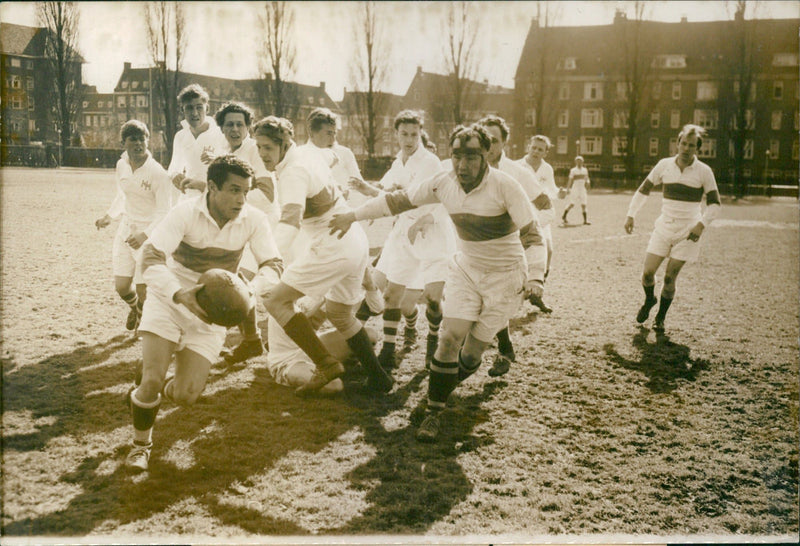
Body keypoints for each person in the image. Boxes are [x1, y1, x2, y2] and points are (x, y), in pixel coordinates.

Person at [330, 124, 547, 442]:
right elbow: (396, 200)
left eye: (471, 156)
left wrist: (537, 276)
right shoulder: (443, 182)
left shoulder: (505, 185)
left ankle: (438, 394)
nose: (462, 164)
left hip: (505, 277)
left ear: (487, 154)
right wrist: (353, 216)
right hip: (466, 271)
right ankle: (434, 412)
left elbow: (533, 235)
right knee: (449, 339)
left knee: (471, 355)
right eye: (457, 155)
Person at [124, 155, 283, 471]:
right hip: (170, 299)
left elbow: (274, 264)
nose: (241, 200)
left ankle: (144, 390)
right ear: (212, 187)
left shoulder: (254, 219)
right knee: (153, 381)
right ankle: (140, 447)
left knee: (186, 396)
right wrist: (179, 293)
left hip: (212, 312)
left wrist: (250, 291)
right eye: (234, 190)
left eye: (246, 192)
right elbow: (151, 257)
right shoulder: (184, 213)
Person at [253, 116, 394, 396]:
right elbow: (330, 156)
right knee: (340, 313)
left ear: (284, 144)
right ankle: (379, 378)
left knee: (275, 300)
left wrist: (269, 259)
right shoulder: (308, 153)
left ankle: (326, 364)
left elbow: (291, 219)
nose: (262, 154)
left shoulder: (293, 170)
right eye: (258, 147)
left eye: (268, 147)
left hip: (333, 243)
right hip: (355, 241)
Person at [349, 110, 453, 371]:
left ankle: (432, 338)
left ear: (421, 134)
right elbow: (387, 195)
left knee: (431, 298)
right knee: (389, 292)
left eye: (414, 134)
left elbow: (442, 199)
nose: (409, 139)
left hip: (430, 233)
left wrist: (423, 220)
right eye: (404, 134)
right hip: (402, 233)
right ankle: (387, 352)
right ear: (396, 134)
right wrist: (366, 191)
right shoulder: (398, 162)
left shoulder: (430, 162)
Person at [477, 115, 555, 377]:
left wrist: (524, 230)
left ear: (505, 143)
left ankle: (500, 350)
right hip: (480, 247)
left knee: (495, 300)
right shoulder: (468, 169)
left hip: (512, 249)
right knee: (487, 300)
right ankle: (505, 348)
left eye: (494, 140)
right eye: (483, 139)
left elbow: (547, 208)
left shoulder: (519, 174)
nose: (487, 146)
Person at [624, 124, 720, 332]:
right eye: (683, 143)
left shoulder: (704, 171)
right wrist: (631, 214)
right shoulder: (664, 165)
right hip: (664, 228)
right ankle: (650, 300)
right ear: (677, 143)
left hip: (688, 233)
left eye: (691, 145)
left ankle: (660, 317)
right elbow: (643, 190)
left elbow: (714, 203)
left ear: (698, 149)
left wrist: (701, 225)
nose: (686, 148)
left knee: (669, 277)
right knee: (648, 273)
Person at [208, 101, 280, 364]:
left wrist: (233, 199)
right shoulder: (227, 150)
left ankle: (259, 340)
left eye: (240, 124)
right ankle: (252, 341)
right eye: (229, 124)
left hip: (265, 226)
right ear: (222, 128)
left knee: (242, 284)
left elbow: (269, 195)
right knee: (236, 279)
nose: (235, 129)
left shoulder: (254, 149)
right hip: (241, 223)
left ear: (248, 127)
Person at [95, 120, 173, 333]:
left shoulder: (158, 173)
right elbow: (123, 194)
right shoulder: (122, 165)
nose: (138, 143)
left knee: (144, 290)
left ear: (148, 140)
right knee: (121, 287)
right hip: (126, 232)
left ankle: (143, 322)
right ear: (124, 143)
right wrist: (109, 216)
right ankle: (135, 308)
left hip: (148, 237)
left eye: (142, 139)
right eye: (133, 139)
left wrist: (145, 235)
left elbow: (164, 212)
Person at [515, 135, 557, 313]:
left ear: (546, 152)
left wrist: (559, 193)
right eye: (533, 147)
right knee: (519, 256)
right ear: (528, 147)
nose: (536, 151)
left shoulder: (547, 169)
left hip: (541, 217)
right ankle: (515, 295)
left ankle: (536, 294)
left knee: (547, 251)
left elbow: (551, 191)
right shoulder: (516, 166)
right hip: (520, 216)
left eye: (540, 149)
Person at [168, 84, 227, 201]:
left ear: (207, 108)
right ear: (182, 110)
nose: (194, 113)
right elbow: (173, 167)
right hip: (188, 198)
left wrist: (217, 161)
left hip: (214, 197)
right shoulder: (181, 136)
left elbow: (232, 170)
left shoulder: (221, 133)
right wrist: (175, 175)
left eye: (199, 107)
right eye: (189, 108)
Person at [299, 107, 363, 199]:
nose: (333, 139)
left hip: (342, 209)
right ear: (311, 132)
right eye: (329, 133)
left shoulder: (345, 153)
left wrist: (347, 193)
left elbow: (360, 187)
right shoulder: (299, 155)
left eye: (334, 133)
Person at [563, 155, 591, 225]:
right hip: (575, 189)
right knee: (572, 204)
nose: (579, 163)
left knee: (584, 204)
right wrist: (568, 189)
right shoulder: (573, 170)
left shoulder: (585, 170)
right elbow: (570, 180)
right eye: (578, 161)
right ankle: (564, 216)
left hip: (582, 189)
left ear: (583, 162)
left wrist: (588, 182)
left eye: (580, 161)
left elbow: (587, 178)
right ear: (575, 162)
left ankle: (585, 220)